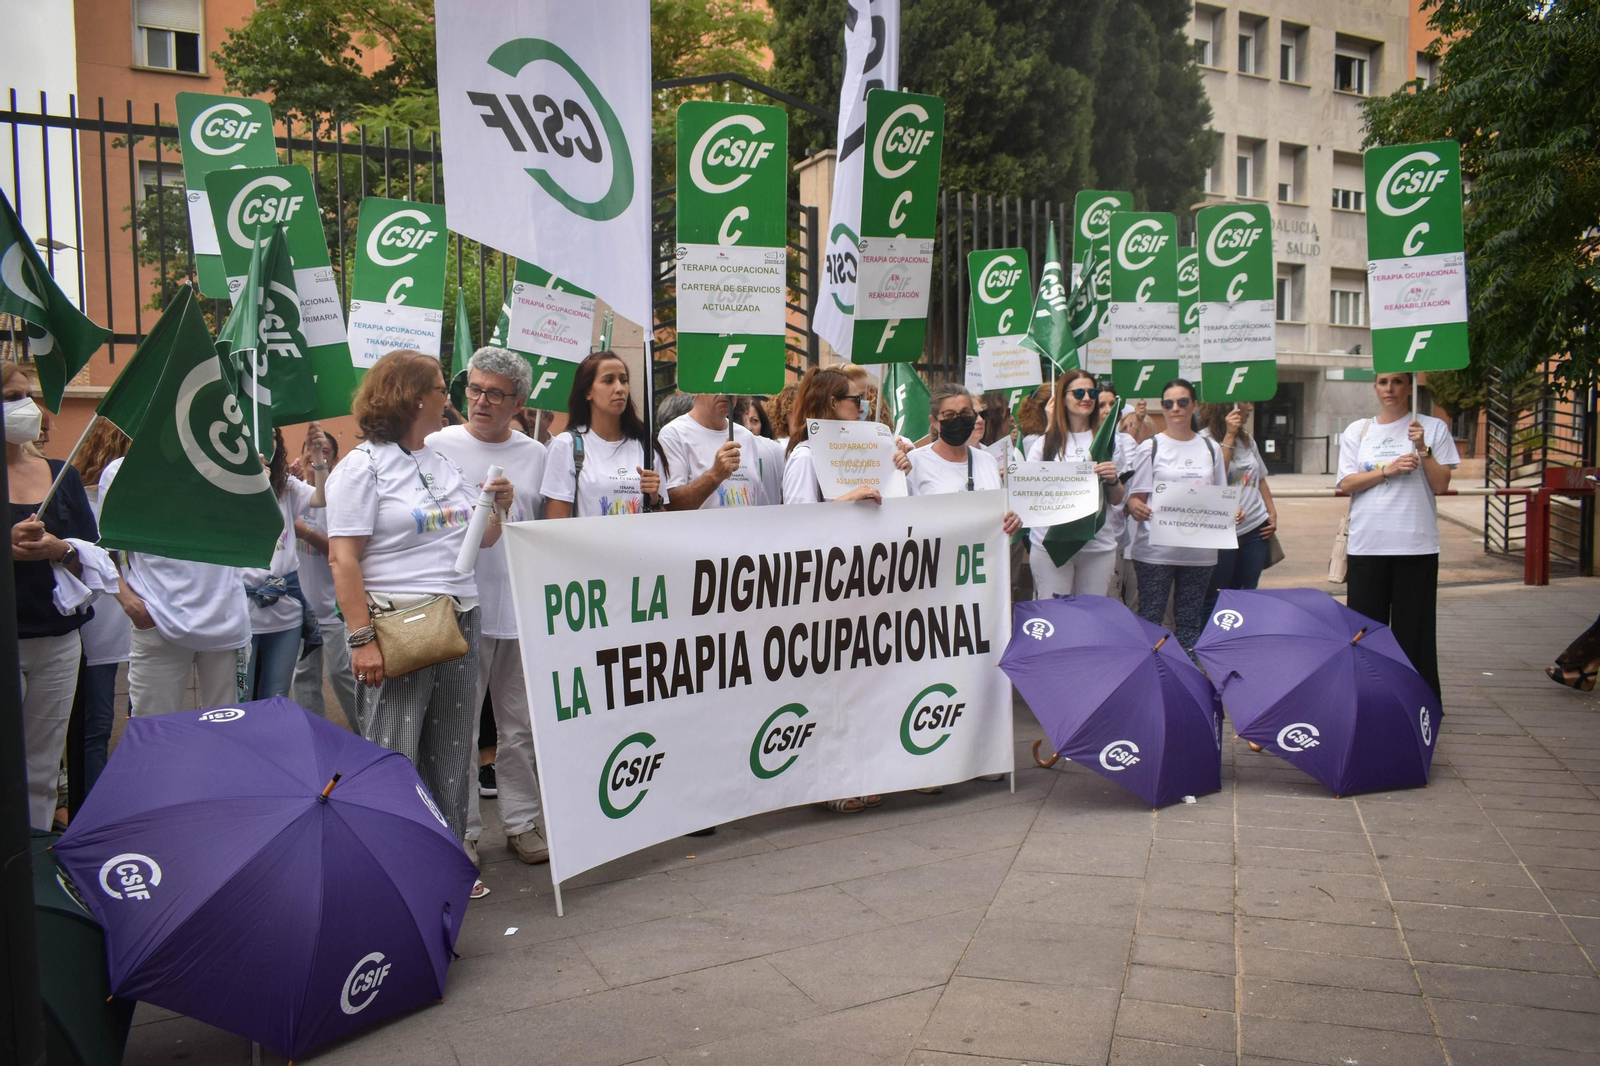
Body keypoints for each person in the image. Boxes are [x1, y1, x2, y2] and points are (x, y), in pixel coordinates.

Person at [326, 348, 514, 900]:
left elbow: (481, 539)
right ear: (411, 396)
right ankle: (391, 865)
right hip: (397, 625)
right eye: (439, 388)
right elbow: (344, 560)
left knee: (453, 748)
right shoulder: (360, 468)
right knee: (395, 750)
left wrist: (496, 507)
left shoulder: (440, 462)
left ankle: (446, 858)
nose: (449, 400)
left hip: (459, 616)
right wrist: (362, 641)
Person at [427, 346, 551, 866]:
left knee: (519, 726)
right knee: (458, 725)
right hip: (459, 605)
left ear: (518, 401)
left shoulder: (536, 455)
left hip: (518, 605)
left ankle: (522, 823)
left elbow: (547, 531)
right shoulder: (435, 445)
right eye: (474, 389)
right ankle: (466, 831)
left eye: (494, 394)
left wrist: (510, 504)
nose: (480, 401)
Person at [6, 363, 103, 829]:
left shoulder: (60, 474)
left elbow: (93, 553)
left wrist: (58, 548)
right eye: (10, 396)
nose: (23, 406)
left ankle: (36, 867)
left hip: (59, 641)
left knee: (43, 768)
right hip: (11, 636)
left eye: (25, 394)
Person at [1336, 371, 1458, 698]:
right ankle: (1367, 696)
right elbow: (1346, 483)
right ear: (1375, 386)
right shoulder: (1358, 430)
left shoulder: (1432, 428)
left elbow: (1441, 484)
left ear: (1410, 387)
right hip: (1367, 544)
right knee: (1365, 631)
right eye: (1383, 382)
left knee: (1413, 633)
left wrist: (1423, 448)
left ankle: (1418, 700)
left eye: (1398, 382)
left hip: (1415, 544)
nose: (1390, 389)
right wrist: (1386, 470)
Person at [1126, 379, 1230, 652]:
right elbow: (1135, 497)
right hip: (1155, 551)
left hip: (1200, 552)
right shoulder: (1151, 447)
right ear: (1162, 407)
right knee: (1151, 619)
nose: (1176, 408)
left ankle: (1188, 682)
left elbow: (1220, 494)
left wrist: (1234, 512)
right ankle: (1153, 680)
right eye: (1168, 403)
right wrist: (1136, 506)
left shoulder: (1211, 448)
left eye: (1183, 402)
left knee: (1188, 622)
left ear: (1194, 406)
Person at [70, 418, 131, 797]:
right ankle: (89, 806)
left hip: (129, 623)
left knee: (121, 719)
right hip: (98, 627)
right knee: (96, 725)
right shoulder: (82, 500)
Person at [1026, 371, 1124, 597]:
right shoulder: (1044, 444)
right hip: (1052, 543)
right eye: (1079, 392)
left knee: (1091, 618)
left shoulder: (1108, 442)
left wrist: (1113, 480)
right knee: (1054, 616)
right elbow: (1030, 493)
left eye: (1092, 392)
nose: (1086, 398)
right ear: (1062, 398)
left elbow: (1117, 499)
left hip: (1097, 545)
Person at [542, 351, 667, 517]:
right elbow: (556, 525)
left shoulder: (646, 447)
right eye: (608, 381)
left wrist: (654, 499)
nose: (619, 388)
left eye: (624, 380)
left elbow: (663, 525)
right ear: (588, 392)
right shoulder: (566, 446)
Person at [289, 424, 357, 723]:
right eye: (310, 450)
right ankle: (313, 736)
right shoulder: (291, 492)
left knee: (343, 672)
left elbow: (340, 550)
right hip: (301, 605)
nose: (315, 456)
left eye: (324, 452)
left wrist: (305, 532)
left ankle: (367, 733)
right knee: (304, 676)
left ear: (333, 459)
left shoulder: (337, 496)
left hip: (333, 606)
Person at [240, 428, 311, 701]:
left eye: (271, 434)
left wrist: (317, 459)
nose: (264, 440)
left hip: (286, 609)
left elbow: (322, 498)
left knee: (276, 695)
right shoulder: (223, 487)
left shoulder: (286, 484)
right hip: (242, 609)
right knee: (242, 696)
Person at [1199, 402, 1278, 613]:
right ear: (1227, 406)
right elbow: (1217, 478)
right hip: (1222, 531)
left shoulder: (1247, 438)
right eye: (1245, 402)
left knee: (1246, 593)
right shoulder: (1203, 440)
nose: (1250, 408)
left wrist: (1271, 513)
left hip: (1255, 528)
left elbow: (1260, 477)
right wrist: (1228, 438)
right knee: (1216, 595)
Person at [781, 368, 892, 506]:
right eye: (857, 400)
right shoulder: (806, 456)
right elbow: (799, 521)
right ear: (833, 403)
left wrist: (895, 470)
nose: (862, 409)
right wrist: (848, 499)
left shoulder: (847, 452)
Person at [660, 393, 765, 509]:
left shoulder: (746, 437)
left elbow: (757, 497)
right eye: (716, 384)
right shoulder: (673, 434)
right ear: (696, 390)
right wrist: (716, 474)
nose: (726, 393)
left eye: (731, 384)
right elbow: (671, 505)